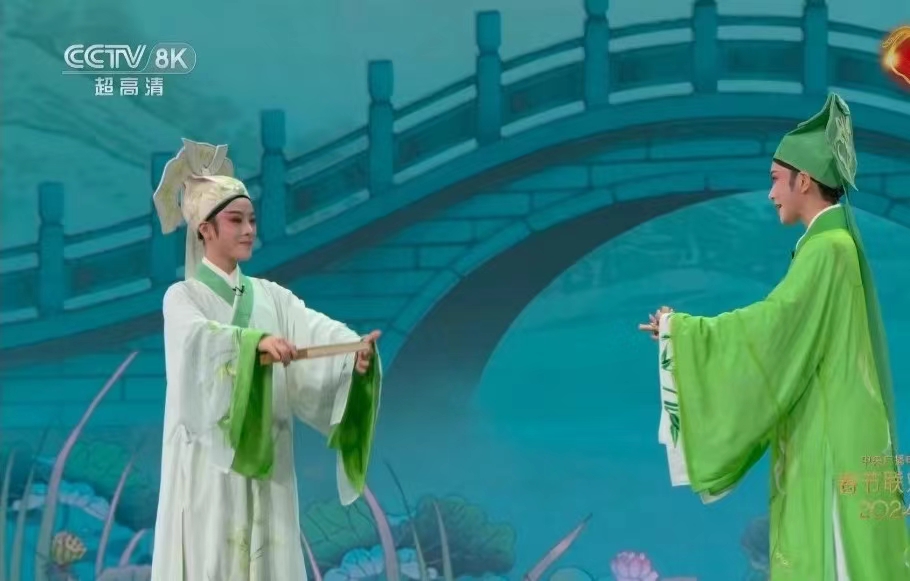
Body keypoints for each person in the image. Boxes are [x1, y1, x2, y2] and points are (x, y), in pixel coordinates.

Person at [638, 93, 910, 579]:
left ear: (804, 180)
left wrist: (685, 332)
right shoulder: (832, 246)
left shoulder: (829, 250)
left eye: (775, 180)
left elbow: (775, 326)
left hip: (832, 436)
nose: (770, 194)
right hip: (834, 422)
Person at [149, 138, 382, 580]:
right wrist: (253, 343)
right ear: (205, 229)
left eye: (252, 220)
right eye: (235, 220)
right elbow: (195, 340)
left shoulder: (271, 297)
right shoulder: (183, 297)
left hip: (270, 458)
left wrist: (352, 353)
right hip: (211, 465)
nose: (248, 230)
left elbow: (314, 329)